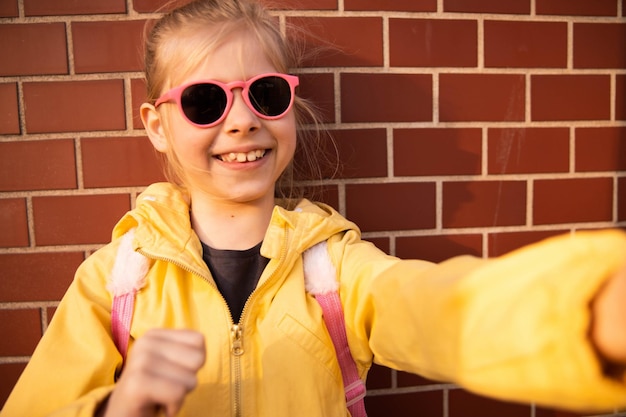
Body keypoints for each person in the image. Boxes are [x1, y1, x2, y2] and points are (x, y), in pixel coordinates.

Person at [2, 0, 626, 416]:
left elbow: (440, 308)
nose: (242, 120)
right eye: (204, 101)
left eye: (265, 94)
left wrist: (584, 306)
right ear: (157, 125)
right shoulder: (114, 282)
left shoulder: (336, 269)